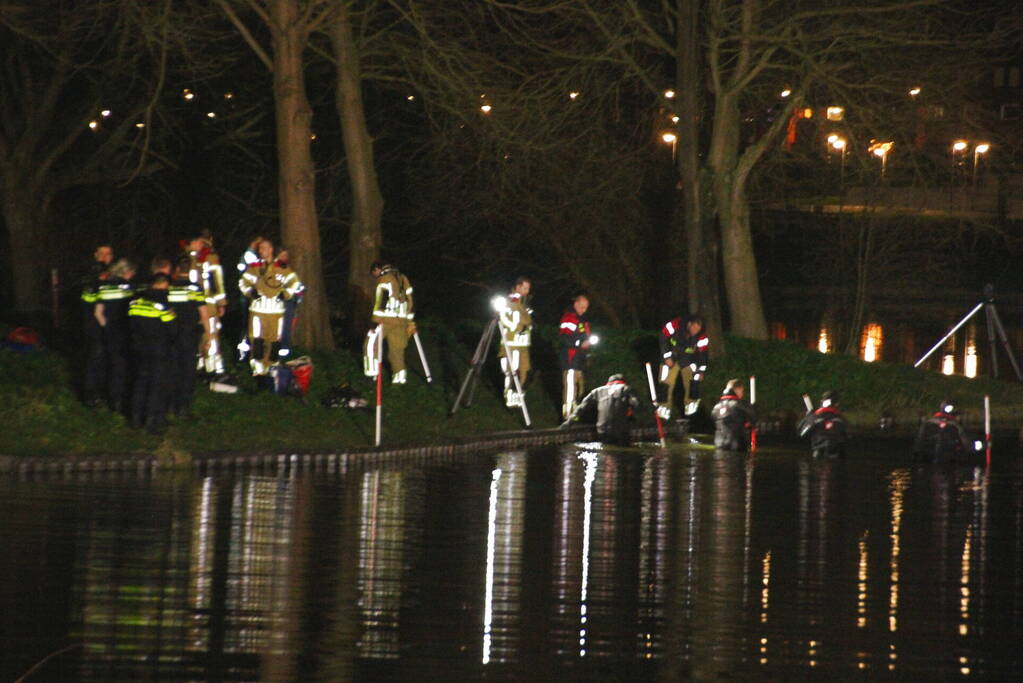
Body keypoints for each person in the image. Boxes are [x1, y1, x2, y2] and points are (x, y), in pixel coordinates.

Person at [238, 239, 303, 387]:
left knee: (273, 342)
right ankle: (259, 375)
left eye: (265, 248)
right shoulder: (254, 267)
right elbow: (243, 282)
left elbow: (294, 283)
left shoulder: (282, 268)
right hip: (257, 311)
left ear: (272, 250)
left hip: (276, 313)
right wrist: (250, 292)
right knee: (258, 342)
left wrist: (285, 294)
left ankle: (271, 373)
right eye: (260, 248)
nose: (262, 251)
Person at [128, 273, 177, 432]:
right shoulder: (163, 304)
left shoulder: (135, 302)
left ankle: (135, 420)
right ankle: (152, 421)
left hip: (139, 349)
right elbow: (173, 329)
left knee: (141, 383)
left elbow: (131, 324)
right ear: (163, 285)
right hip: (159, 349)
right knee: (156, 385)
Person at [95, 258, 137, 412]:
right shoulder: (128, 288)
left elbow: (98, 313)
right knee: (124, 366)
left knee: (111, 365)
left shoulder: (104, 287)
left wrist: (108, 327)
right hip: (125, 332)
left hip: (110, 332)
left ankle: (111, 399)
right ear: (126, 272)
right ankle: (121, 399)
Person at [363, 261, 415, 384]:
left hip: (385, 320)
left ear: (377, 270)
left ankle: (372, 374)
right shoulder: (402, 278)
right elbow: (411, 301)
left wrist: (375, 322)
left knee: (370, 345)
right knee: (397, 350)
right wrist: (409, 320)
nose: (375, 276)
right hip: (402, 321)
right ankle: (399, 378)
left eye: (374, 273)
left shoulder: (384, 280)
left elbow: (381, 301)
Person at [167, 257, 205, 418]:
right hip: (190, 334)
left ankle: (170, 404)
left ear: (177, 270)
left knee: (173, 369)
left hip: (172, 333)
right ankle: (184, 408)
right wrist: (208, 336)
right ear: (190, 271)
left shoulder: (169, 288)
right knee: (188, 371)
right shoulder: (195, 289)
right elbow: (204, 314)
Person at [187, 230, 227, 376]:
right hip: (192, 304)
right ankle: (199, 365)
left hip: (209, 304)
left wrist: (221, 303)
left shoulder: (210, 257)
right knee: (197, 335)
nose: (196, 245)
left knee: (211, 334)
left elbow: (217, 281)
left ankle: (213, 368)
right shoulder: (187, 258)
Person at [562, 373, 640, 446]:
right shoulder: (626, 389)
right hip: (620, 431)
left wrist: (569, 422)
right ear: (623, 382)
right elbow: (637, 404)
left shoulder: (596, 391)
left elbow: (581, 408)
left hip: (602, 431)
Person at [657, 314, 709, 418]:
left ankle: (691, 404)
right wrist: (667, 357)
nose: (695, 330)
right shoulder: (675, 325)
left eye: (698, 329)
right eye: (694, 327)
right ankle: (664, 406)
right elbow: (663, 337)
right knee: (666, 380)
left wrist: (700, 370)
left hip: (689, 359)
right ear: (689, 324)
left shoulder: (702, 337)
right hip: (672, 355)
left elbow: (703, 355)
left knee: (694, 379)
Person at [80, 244, 113, 407]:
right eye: (102, 253)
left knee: (102, 360)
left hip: (100, 323)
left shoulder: (109, 274)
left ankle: (99, 394)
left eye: (108, 254)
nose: (105, 257)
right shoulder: (93, 275)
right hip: (94, 325)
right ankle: (91, 396)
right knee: (95, 359)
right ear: (96, 255)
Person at [497, 276, 533, 407]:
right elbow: (506, 319)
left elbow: (528, 320)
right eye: (524, 288)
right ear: (517, 287)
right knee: (512, 370)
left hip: (523, 343)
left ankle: (517, 394)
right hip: (512, 342)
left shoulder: (524, 302)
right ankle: (509, 394)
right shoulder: (511, 300)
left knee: (524, 370)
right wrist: (517, 327)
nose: (527, 291)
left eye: (528, 288)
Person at [559, 292, 593, 420]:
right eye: (581, 306)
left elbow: (586, 337)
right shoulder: (569, 318)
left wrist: (587, 351)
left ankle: (576, 412)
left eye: (586, 307)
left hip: (580, 360)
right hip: (570, 359)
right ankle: (568, 414)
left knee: (580, 388)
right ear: (575, 304)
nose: (584, 310)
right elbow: (564, 337)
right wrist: (580, 343)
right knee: (570, 388)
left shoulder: (583, 320)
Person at [798, 390, 849, 457]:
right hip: (838, 455)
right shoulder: (841, 419)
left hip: (820, 456)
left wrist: (808, 417)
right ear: (837, 404)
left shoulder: (814, 417)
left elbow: (801, 433)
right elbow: (848, 435)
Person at [712, 379, 756, 452]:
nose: (742, 394)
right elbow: (753, 421)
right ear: (737, 390)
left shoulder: (716, 407)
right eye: (742, 391)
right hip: (737, 447)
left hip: (719, 446)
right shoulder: (740, 405)